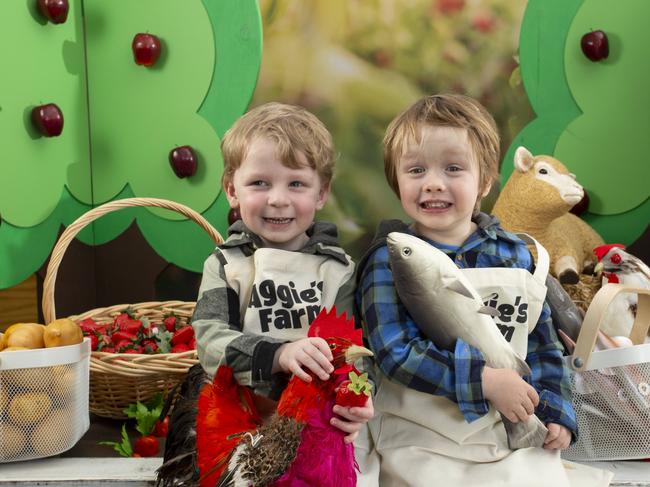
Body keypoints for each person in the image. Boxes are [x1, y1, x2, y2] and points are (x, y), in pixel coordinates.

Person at [355, 94, 612, 486]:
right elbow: (394, 352)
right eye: (416, 170)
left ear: (486, 180)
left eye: (453, 168)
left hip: (509, 438)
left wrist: (556, 410)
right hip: (423, 440)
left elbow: (543, 344)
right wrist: (483, 381)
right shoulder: (390, 258)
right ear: (396, 180)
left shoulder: (515, 254)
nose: (434, 184)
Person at [192, 101, 374, 446]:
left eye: (296, 184)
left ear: (321, 192)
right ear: (232, 190)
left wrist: (361, 397)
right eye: (260, 183)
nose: (278, 199)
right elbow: (209, 340)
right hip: (241, 423)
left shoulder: (337, 271)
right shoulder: (227, 264)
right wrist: (278, 355)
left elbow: (354, 353)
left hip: (319, 426)